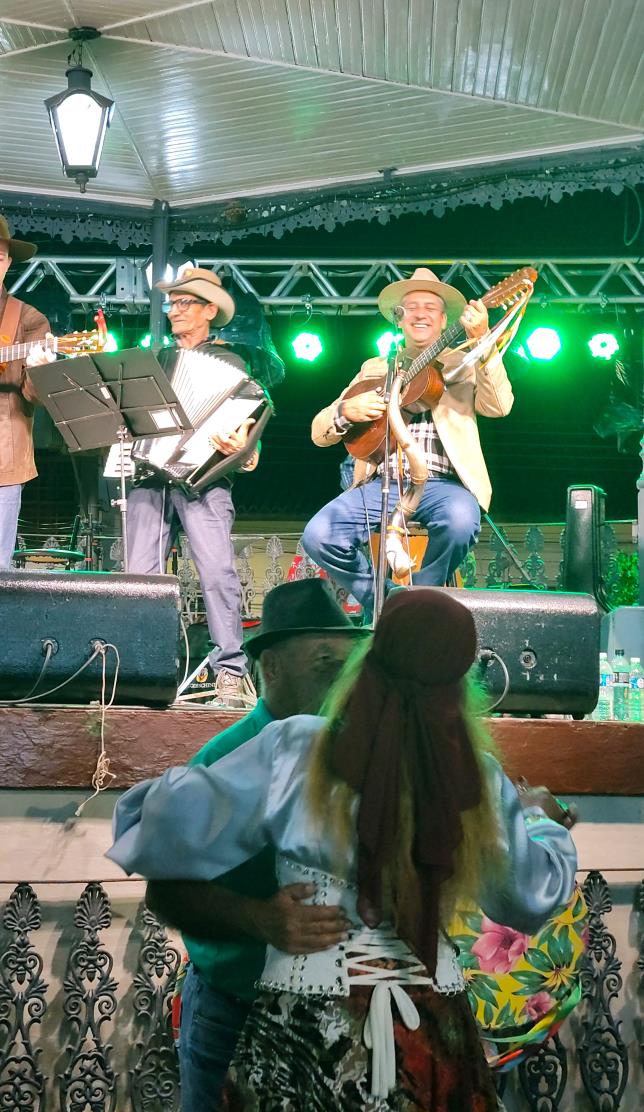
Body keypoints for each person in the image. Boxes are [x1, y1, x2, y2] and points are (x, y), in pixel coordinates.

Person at [108, 586, 577, 1111]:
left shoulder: (296, 750)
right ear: (459, 687)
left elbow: (156, 829)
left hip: (305, 1033)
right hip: (431, 1034)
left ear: (367, 667)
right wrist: (538, 819)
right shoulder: (475, 779)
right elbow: (531, 897)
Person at [145, 578, 365, 1110]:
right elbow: (165, 893)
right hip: (234, 1013)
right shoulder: (223, 758)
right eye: (324, 663)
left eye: (349, 665)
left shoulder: (357, 751)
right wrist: (260, 919)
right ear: (272, 667)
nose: (343, 681)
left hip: (338, 1019)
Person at [302, 267, 514, 620]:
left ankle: (420, 602)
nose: (420, 314)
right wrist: (345, 411)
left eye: (430, 308)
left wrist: (483, 342)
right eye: (411, 307)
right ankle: (387, 601)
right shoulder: (375, 367)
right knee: (319, 535)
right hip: (381, 483)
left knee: (461, 520)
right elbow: (318, 431)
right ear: (399, 319)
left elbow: (500, 406)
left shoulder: (466, 361)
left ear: (445, 320)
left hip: (442, 485)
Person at [126, 267, 260, 708]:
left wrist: (245, 445)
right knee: (139, 577)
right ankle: (142, 666)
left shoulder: (232, 363)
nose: (175, 310)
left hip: (205, 480)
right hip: (150, 476)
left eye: (185, 303)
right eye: (172, 303)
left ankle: (230, 672)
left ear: (209, 311)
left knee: (217, 573)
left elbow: (249, 422)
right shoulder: (157, 361)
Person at [0, 216, 56, 569]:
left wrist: (40, 369)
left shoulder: (27, 319)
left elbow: (34, 394)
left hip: (3, 461)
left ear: (7, 262)